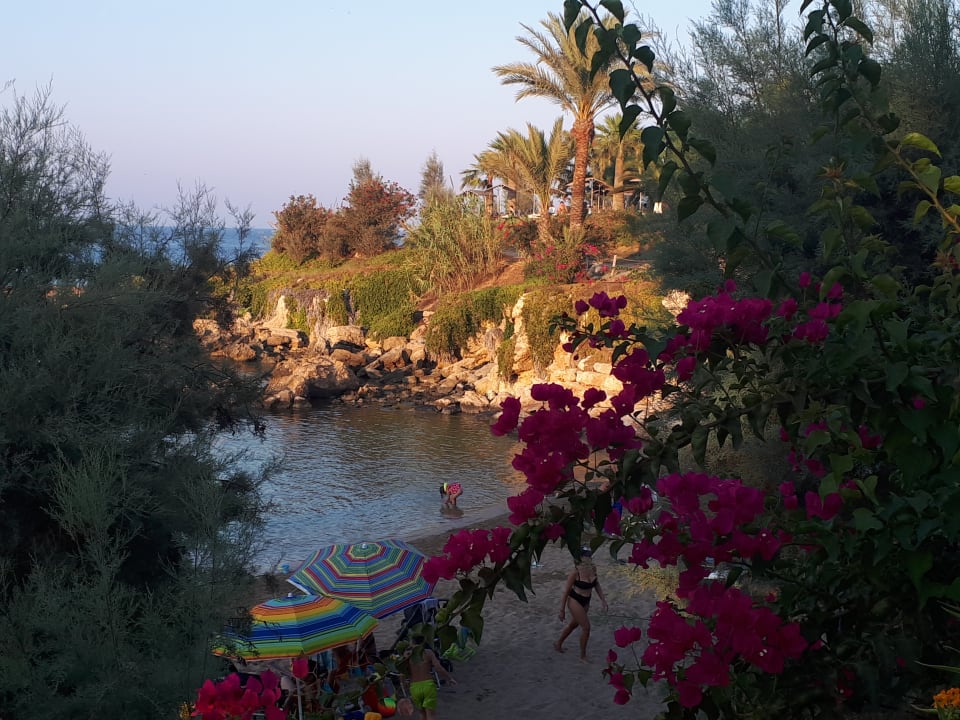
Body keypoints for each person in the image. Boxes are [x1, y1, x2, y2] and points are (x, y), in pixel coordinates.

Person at [554, 546, 608, 662]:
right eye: (587, 556)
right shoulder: (575, 572)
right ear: (580, 558)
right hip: (575, 600)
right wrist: (562, 610)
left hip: (586, 600)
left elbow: (596, 584)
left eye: (590, 555)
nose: (589, 558)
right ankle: (583, 656)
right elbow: (566, 592)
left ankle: (558, 643)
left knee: (574, 625)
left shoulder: (593, 569)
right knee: (586, 628)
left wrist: (603, 600)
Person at [404, 634, 456, 720]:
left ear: (412, 642)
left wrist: (403, 683)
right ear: (423, 642)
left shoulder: (407, 655)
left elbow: (402, 671)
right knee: (430, 715)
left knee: (422, 714)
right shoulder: (428, 652)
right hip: (428, 685)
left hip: (414, 687)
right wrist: (449, 678)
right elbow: (438, 668)